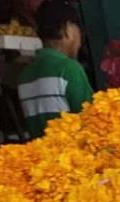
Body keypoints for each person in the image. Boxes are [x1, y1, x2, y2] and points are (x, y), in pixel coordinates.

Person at [17, 0, 93, 138]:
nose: (80, 42)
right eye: (79, 32)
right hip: (71, 157)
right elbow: (91, 121)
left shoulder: (24, 75)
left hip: (42, 156)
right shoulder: (69, 69)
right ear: (68, 29)